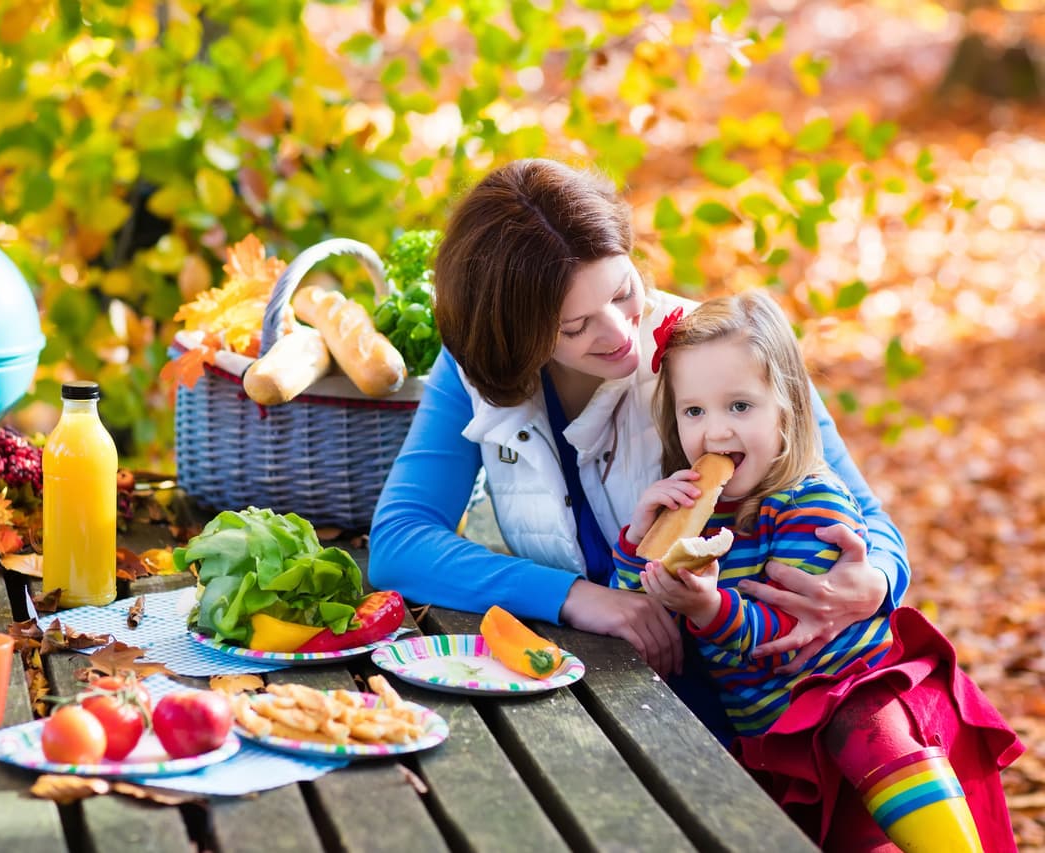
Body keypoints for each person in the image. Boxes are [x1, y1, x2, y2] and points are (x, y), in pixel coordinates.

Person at [368, 158, 910, 740]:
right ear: (514, 336)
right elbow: (400, 542)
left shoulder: (717, 352)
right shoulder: (476, 370)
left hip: (764, 690)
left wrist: (876, 578)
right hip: (596, 690)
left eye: (623, 292)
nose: (620, 333)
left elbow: (868, 518)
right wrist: (576, 598)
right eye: (575, 327)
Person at [612, 290, 1022, 851]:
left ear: (787, 409)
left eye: (740, 406)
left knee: (874, 739)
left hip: (845, 693)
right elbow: (637, 605)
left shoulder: (811, 503)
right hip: (776, 732)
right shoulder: (697, 513)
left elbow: (788, 633)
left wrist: (707, 608)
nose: (716, 432)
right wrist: (639, 540)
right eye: (694, 411)